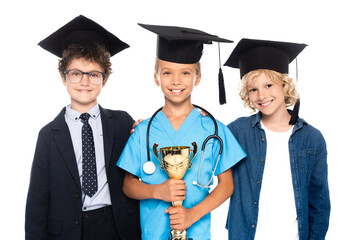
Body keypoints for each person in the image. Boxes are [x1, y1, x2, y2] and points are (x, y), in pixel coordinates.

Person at [116, 24, 246, 240]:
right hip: (153, 233)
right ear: (156, 78)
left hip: (197, 232)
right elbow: (128, 185)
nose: (176, 81)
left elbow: (227, 185)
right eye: (167, 73)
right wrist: (157, 191)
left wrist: (192, 214)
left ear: (198, 77)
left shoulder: (214, 129)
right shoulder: (143, 131)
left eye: (185, 73)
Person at [25, 15, 141, 240]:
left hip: (116, 226)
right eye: (76, 74)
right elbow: (37, 202)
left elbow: (144, 162)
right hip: (68, 231)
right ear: (63, 77)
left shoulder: (122, 122)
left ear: (104, 80)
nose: (85, 82)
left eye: (94, 75)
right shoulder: (48, 135)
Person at [224, 38, 331, 240]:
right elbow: (205, 147)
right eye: (253, 89)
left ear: (285, 85)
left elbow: (319, 200)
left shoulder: (312, 138)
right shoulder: (237, 131)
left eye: (268, 85)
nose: (261, 95)